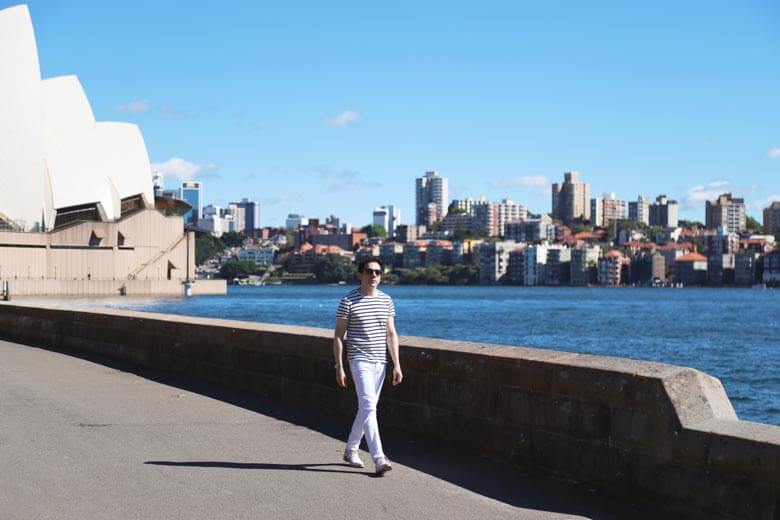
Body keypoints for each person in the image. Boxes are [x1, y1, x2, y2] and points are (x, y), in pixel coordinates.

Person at [334, 256, 402, 475]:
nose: (374, 275)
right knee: (369, 406)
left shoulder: (386, 300)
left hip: (380, 362)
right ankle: (379, 458)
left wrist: (397, 364)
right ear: (359, 274)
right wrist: (339, 366)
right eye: (369, 271)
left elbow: (391, 334)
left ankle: (351, 449)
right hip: (359, 359)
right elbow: (338, 336)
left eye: (377, 272)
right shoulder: (349, 300)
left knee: (367, 408)